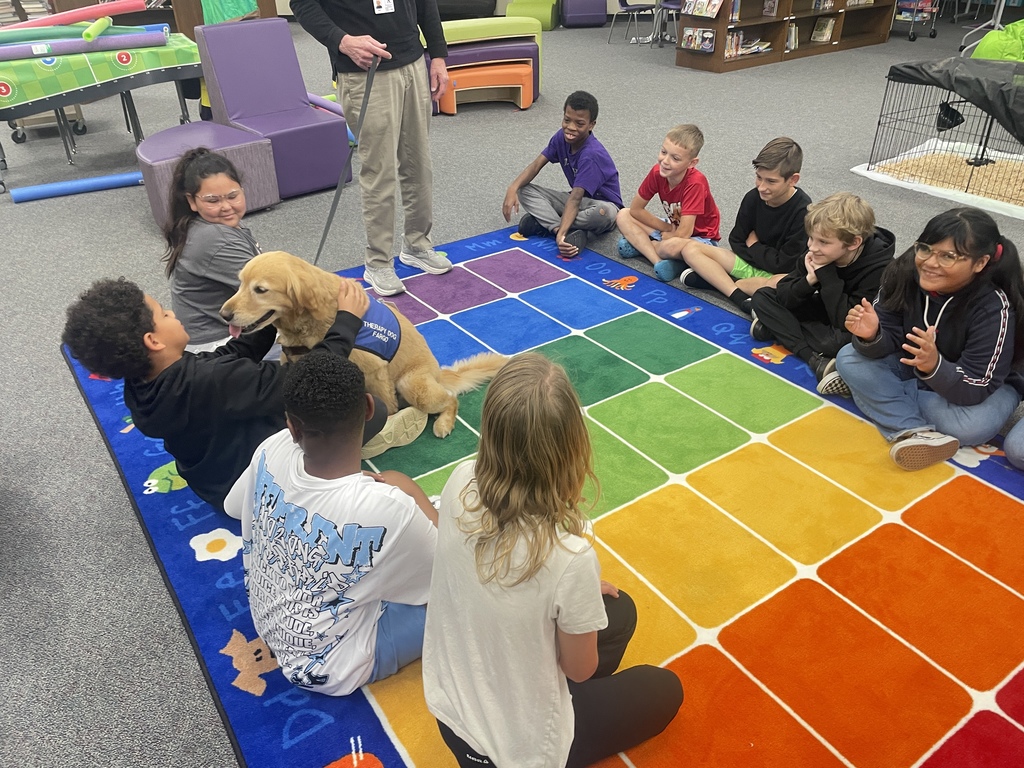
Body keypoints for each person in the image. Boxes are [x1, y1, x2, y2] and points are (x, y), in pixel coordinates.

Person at [422, 353, 683, 768]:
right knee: (666, 688)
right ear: (571, 448)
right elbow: (579, 670)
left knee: (621, 612)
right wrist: (570, 598)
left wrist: (571, 601)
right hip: (513, 749)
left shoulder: (460, 479)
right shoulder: (570, 557)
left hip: (449, 708)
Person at [61, 277, 412, 512]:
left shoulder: (143, 384)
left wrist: (266, 319)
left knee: (269, 385)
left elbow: (229, 356)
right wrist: (347, 320)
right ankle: (321, 481)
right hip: (257, 492)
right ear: (153, 341)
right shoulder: (212, 380)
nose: (172, 313)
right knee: (366, 407)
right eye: (164, 314)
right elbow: (309, 378)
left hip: (214, 486)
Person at [224, 350, 438, 696]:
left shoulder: (271, 447)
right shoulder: (389, 508)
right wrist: (410, 492)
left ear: (292, 426)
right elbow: (452, 576)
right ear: (369, 408)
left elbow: (234, 507)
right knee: (468, 597)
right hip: (333, 665)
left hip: (271, 624)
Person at [830, 207, 1024, 471]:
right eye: (925, 249)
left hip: (981, 387)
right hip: (918, 370)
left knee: (970, 427)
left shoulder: (994, 306)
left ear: (980, 263)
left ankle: (876, 393)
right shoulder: (904, 272)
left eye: (948, 256)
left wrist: (934, 366)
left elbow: (977, 387)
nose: (930, 263)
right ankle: (916, 431)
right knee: (849, 357)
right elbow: (888, 340)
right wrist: (873, 335)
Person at [290, 0, 453, 297]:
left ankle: (417, 244)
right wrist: (341, 41)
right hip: (364, 72)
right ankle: (378, 262)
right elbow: (303, 3)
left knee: (418, 163)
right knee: (380, 171)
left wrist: (438, 55)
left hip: (412, 62)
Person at [750, 192, 894, 393]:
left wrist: (826, 274)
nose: (812, 247)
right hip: (823, 309)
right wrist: (808, 280)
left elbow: (846, 322)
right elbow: (783, 297)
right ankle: (812, 358)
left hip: (848, 322)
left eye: (823, 242)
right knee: (762, 296)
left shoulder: (880, 269)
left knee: (834, 344)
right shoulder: (819, 250)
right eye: (811, 238)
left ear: (854, 243)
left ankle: (778, 328)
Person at [678, 136, 811, 313]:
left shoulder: (803, 211)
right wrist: (759, 255)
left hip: (775, 276)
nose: (761, 187)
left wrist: (754, 246)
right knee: (690, 249)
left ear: (793, 179)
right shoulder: (753, 197)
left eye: (771, 181)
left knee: (787, 286)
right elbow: (736, 240)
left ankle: (722, 282)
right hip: (747, 264)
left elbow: (785, 264)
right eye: (759, 177)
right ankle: (740, 296)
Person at [502, 91, 623, 259]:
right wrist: (512, 188)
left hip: (602, 205)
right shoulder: (561, 137)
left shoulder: (591, 155)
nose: (571, 127)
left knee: (604, 214)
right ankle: (562, 227)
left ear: (591, 125)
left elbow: (576, 198)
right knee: (524, 190)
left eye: (579, 123)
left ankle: (548, 223)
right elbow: (537, 165)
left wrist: (560, 236)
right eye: (567, 120)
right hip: (574, 200)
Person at [163, 148, 260, 353]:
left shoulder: (211, 226)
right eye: (213, 200)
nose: (226, 206)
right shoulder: (217, 240)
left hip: (222, 333)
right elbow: (270, 290)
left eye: (232, 196)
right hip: (217, 346)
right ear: (192, 201)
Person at [615, 123, 721, 282]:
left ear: (692, 163)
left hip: (701, 239)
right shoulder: (657, 172)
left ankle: (643, 245)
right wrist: (667, 228)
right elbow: (636, 209)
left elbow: (684, 234)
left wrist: (670, 236)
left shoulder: (695, 183)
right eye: (664, 152)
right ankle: (658, 261)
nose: (665, 161)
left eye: (675, 158)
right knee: (623, 214)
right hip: (674, 227)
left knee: (672, 246)